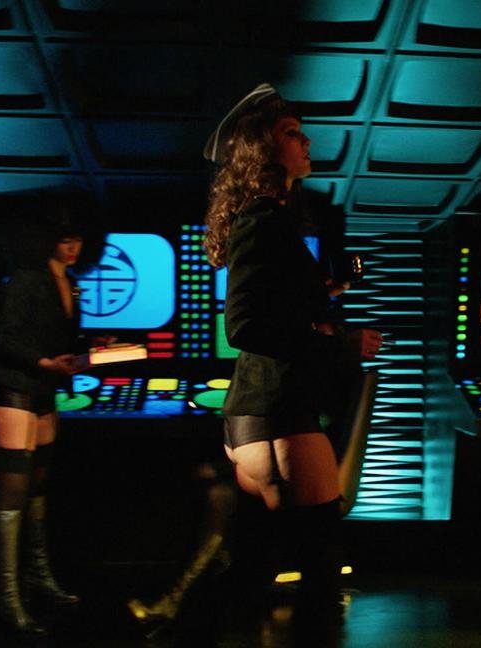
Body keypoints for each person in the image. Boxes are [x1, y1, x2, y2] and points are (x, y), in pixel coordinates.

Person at [195, 82, 383, 642]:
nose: (307, 141)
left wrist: (322, 294)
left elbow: (276, 310)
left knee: (255, 570)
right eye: (292, 133)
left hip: (262, 412)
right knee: (319, 569)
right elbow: (243, 326)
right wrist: (342, 344)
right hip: (277, 411)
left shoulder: (270, 220)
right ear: (263, 149)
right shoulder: (262, 220)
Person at [0, 194, 106, 634]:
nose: (72, 247)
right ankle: (6, 596)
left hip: (43, 391)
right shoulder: (27, 278)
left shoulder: (68, 283)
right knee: (13, 490)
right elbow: (3, 338)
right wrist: (44, 363)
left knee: (36, 487)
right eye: (64, 239)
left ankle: (36, 578)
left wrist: (90, 350)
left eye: (78, 240)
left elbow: (59, 341)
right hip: (16, 388)